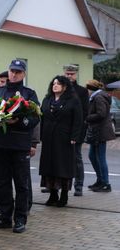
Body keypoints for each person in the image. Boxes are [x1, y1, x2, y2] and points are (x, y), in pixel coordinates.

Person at [0, 59, 40, 234]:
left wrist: (18, 121)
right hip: (0, 144)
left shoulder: (29, 94)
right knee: (2, 182)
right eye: (11, 71)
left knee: (21, 184)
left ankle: (20, 219)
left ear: (23, 74)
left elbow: (35, 118)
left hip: (19, 145)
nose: (14, 74)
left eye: (18, 71)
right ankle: (4, 216)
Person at [39, 76, 83, 207]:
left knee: (63, 167)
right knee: (49, 166)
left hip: (64, 138)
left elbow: (78, 120)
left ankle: (64, 196)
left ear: (65, 86)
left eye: (58, 84)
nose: (55, 85)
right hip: (48, 138)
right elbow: (42, 117)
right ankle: (53, 195)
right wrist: (40, 135)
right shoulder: (47, 99)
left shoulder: (73, 100)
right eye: (53, 83)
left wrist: (74, 137)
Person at [63, 65, 89, 196]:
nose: (69, 76)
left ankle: (78, 185)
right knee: (60, 157)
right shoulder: (60, 88)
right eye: (67, 74)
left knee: (76, 157)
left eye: (71, 74)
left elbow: (85, 112)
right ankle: (56, 184)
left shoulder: (82, 91)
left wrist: (79, 131)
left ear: (76, 75)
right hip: (61, 129)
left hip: (76, 130)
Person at [85, 80, 115, 192]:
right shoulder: (97, 96)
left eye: (87, 89)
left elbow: (101, 114)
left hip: (100, 131)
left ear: (90, 89)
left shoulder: (98, 97)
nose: (86, 92)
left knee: (100, 157)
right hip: (96, 131)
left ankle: (106, 184)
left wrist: (87, 117)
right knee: (92, 156)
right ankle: (100, 180)